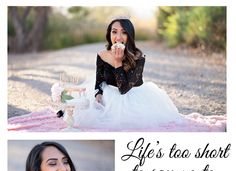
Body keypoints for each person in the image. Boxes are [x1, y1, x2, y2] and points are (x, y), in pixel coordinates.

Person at [70, 17, 226, 132]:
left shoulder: (138, 57)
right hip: (109, 95)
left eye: (123, 33)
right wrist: (98, 92)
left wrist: (118, 61)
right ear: (109, 34)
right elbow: (99, 80)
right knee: (82, 113)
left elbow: (124, 89)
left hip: (133, 98)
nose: (118, 37)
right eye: (114, 32)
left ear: (129, 36)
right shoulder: (102, 54)